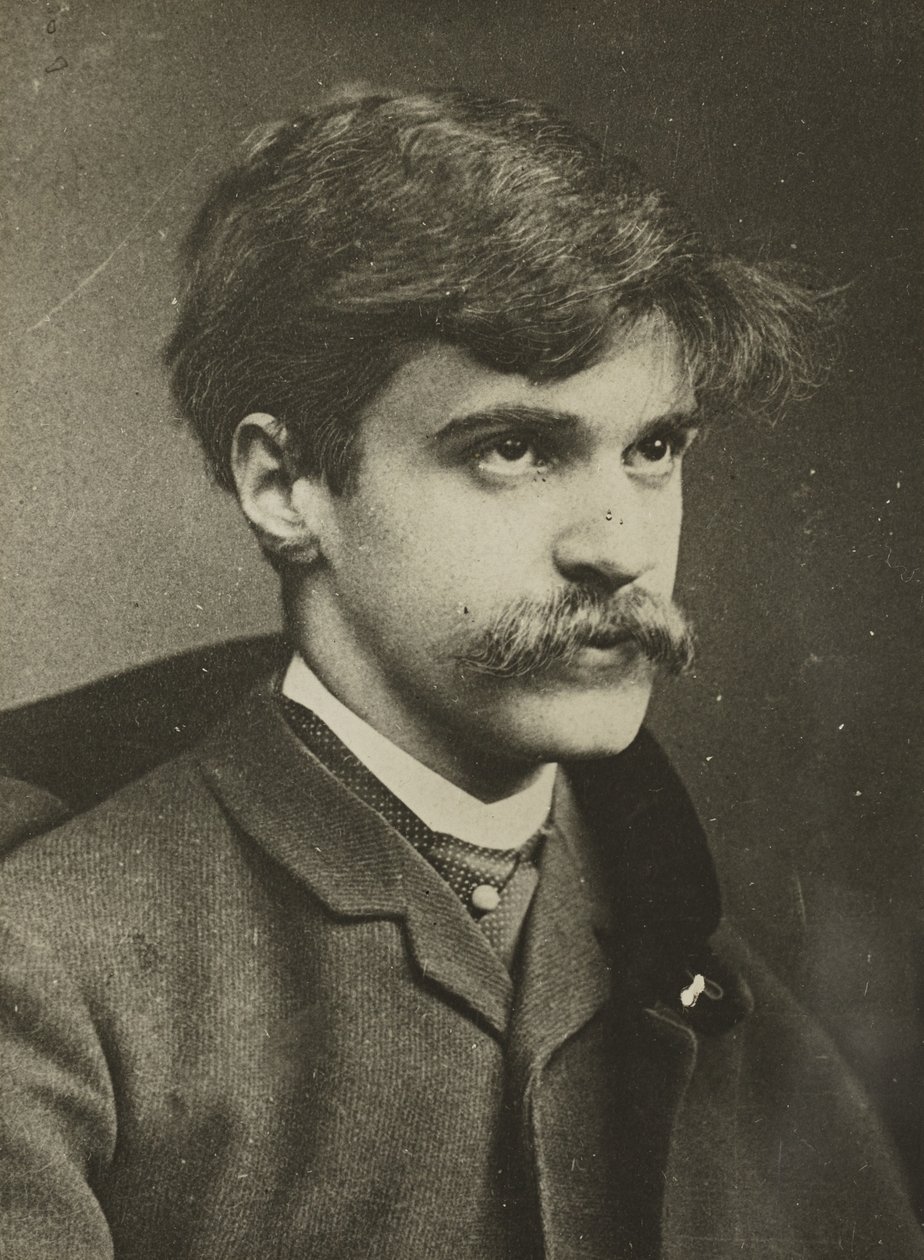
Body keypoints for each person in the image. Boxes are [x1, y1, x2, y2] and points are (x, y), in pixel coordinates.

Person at [0, 89, 919, 1259]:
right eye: (514, 448)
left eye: (653, 449)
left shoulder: (742, 991)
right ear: (285, 485)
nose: (620, 547)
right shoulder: (48, 971)